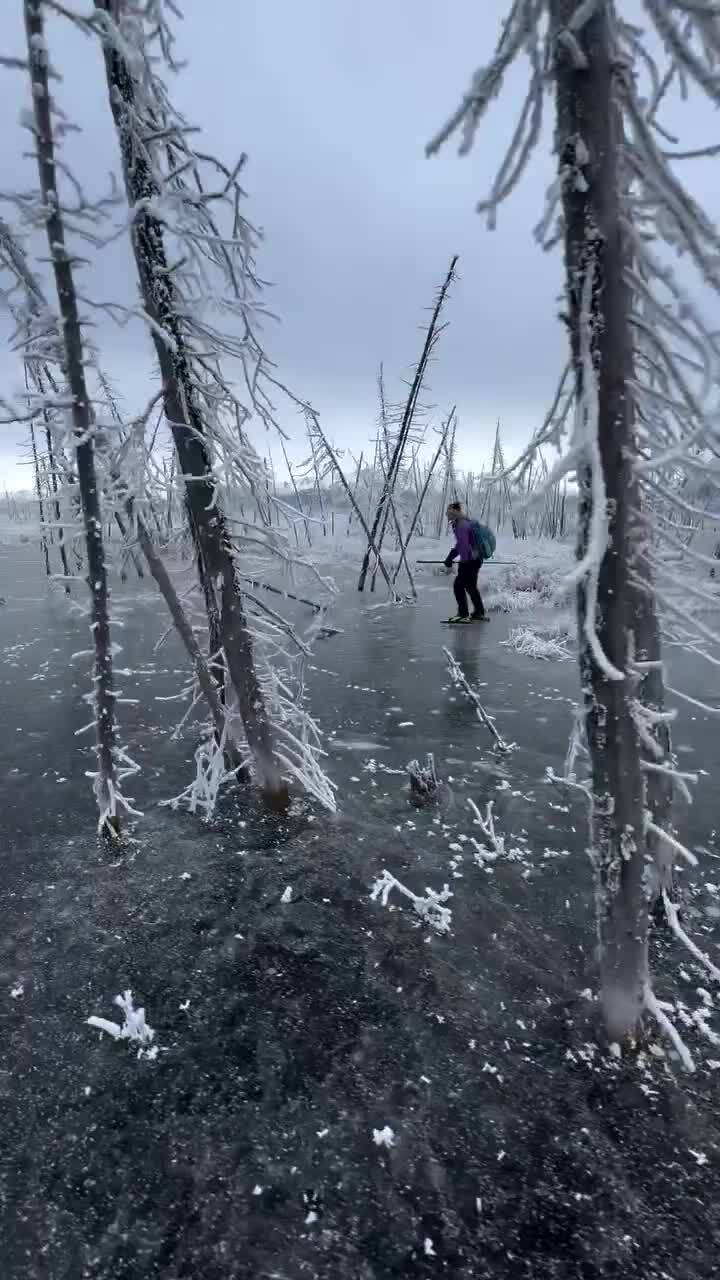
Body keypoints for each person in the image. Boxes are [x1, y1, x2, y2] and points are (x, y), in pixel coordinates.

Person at [443, 501, 488, 623]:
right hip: (476, 560)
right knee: (470, 586)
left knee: (458, 585)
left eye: (449, 512)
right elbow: (463, 544)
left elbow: (463, 545)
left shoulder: (461, 525)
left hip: (469, 561)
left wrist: (451, 558)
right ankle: (479, 612)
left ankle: (463, 614)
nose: (447, 515)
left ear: (455, 512)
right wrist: (451, 556)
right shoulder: (464, 522)